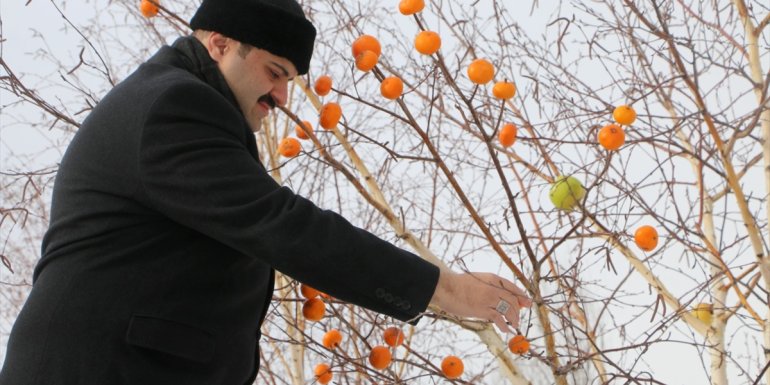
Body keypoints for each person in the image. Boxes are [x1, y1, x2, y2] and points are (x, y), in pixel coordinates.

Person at [0, 0, 531, 384]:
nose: (281, 96)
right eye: (275, 73)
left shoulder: (175, 102)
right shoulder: (172, 107)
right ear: (220, 43)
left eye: (291, 80)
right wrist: (447, 289)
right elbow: (283, 226)